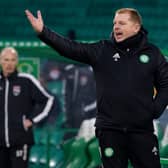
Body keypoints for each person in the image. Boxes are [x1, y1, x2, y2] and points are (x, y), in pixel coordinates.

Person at [25, 8, 168, 168]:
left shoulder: (153, 54)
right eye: (114, 23)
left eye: (122, 23)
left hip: (142, 131)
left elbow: (165, 84)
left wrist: (155, 109)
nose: (116, 27)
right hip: (110, 131)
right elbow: (70, 48)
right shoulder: (102, 50)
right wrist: (43, 32)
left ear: (136, 27)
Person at [0, 47, 54, 168]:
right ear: (0, 61)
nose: (9, 63)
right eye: (6, 59)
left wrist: (32, 120)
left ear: (17, 61)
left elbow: (49, 99)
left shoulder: (26, 80)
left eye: (12, 60)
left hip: (20, 140)